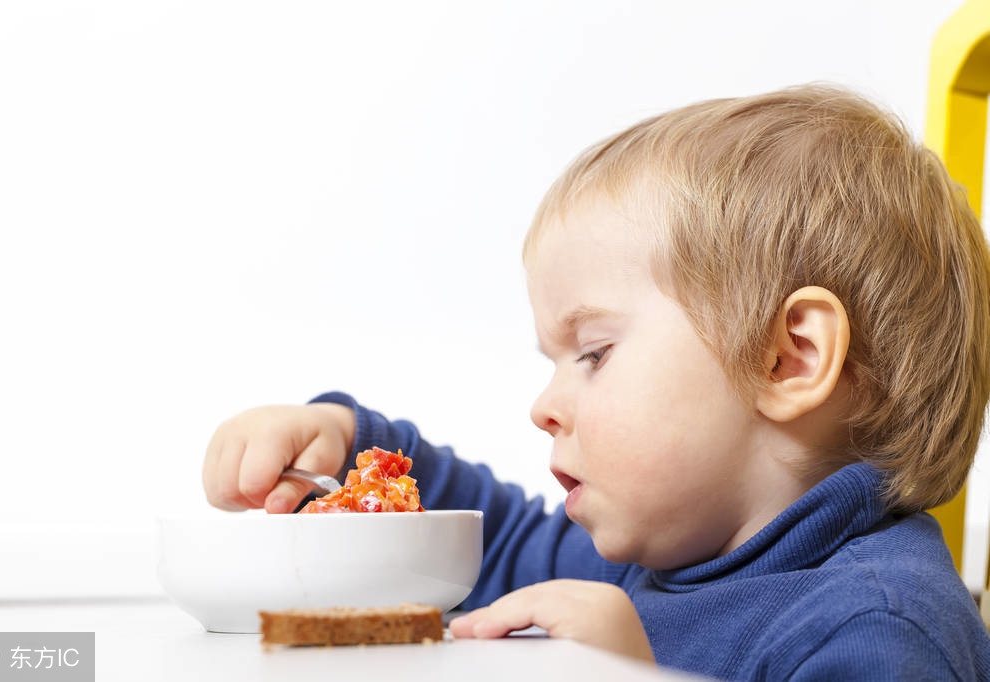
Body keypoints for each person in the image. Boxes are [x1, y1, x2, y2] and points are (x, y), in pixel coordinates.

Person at [202, 84, 990, 680]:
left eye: (593, 353)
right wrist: (354, 447)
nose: (544, 407)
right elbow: (492, 547)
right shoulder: (653, 552)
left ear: (786, 359)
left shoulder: (879, 630)